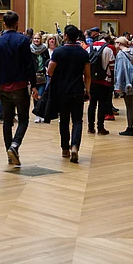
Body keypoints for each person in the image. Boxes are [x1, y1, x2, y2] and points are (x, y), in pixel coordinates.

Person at [0, 11, 36, 167]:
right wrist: (34, 85)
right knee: (23, 119)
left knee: (7, 121)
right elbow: (30, 65)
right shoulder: (23, 40)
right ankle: (15, 145)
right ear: (17, 23)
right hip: (20, 86)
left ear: (4, 24)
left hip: (3, 87)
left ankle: (9, 154)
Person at [46, 25, 91, 163]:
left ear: (65, 36)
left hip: (62, 91)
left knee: (64, 121)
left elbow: (50, 71)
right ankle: (75, 146)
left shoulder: (58, 52)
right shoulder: (83, 53)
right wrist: (87, 90)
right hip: (77, 90)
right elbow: (88, 75)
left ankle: (65, 149)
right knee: (77, 120)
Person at [86, 32, 114, 136]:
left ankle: (90, 127)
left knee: (92, 104)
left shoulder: (89, 47)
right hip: (104, 81)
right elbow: (112, 67)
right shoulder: (109, 49)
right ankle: (100, 127)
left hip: (91, 81)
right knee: (102, 104)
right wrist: (113, 82)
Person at [114, 37, 133, 136]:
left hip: (128, 82)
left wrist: (118, 86)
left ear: (119, 43)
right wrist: (132, 44)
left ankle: (129, 128)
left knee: (129, 106)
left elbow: (120, 71)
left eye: (116, 43)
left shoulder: (121, 55)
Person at [30, 32, 50, 123]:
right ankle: (37, 114)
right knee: (35, 95)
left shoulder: (44, 49)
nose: (36, 40)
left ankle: (40, 113)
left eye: (38, 38)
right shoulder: (29, 49)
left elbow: (48, 60)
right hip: (33, 75)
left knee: (41, 95)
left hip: (42, 75)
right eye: (35, 38)